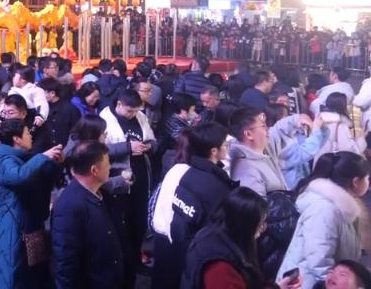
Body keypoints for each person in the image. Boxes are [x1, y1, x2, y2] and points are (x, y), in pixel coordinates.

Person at [150, 122, 236, 288]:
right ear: (213, 150)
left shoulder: (180, 171)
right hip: (183, 248)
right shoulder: (213, 184)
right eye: (225, 144)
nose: (228, 147)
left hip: (166, 240)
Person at [278, 152, 370, 289]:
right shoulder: (324, 209)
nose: (369, 182)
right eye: (367, 178)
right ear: (356, 182)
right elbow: (319, 260)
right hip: (308, 283)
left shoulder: (343, 207)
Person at [0, 118, 64, 289]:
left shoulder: (23, 157)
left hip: (29, 225)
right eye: (27, 133)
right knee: (11, 275)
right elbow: (19, 177)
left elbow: (42, 176)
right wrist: (43, 157)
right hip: (12, 227)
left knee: (32, 275)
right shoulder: (4, 160)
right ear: (16, 139)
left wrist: (55, 161)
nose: (30, 136)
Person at [182, 187, 301, 289]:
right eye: (260, 224)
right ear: (245, 225)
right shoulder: (220, 267)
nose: (263, 229)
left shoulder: (215, 234)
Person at [51, 140, 126, 289]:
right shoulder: (69, 206)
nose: (110, 167)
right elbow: (65, 264)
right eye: (107, 163)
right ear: (94, 170)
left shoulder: (101, 193)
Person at [100, 87, 156, 271]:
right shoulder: (104, 120)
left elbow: (153, 140)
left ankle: (136, 259)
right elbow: (99, 150)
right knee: (119, 222)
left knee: (139, 219)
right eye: (130, 111)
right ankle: (122, 261)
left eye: (136, 111)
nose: (133, 115)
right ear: (119, 104)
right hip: (117, 179)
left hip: (141, 176)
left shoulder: (140, 116)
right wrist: (127, 147)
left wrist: (149, 146)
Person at [229, 107, 289, 197]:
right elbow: (258, 205)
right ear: (248, 134)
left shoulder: (262, 151)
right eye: (263, 126)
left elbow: (279, 130)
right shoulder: (247, 173)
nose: (268, 129)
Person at [314, 93, 366, 162]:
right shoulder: (340, 125)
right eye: (349, 104)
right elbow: (350, 152)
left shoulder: (322, 121)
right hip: (335, 165)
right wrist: (361, 136)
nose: (352, 106)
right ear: (341, 107)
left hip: (322, 162)